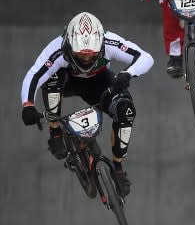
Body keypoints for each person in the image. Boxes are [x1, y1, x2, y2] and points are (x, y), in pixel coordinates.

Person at [20, 12, 154, 197]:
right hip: (67, 82)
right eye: (80, 54)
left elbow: (146, 57)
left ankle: (118, 168)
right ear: (68, 44)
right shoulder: (56, 48)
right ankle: (55, 130)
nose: (85, 59)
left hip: (98, 84)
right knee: (51, 78)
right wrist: (27, 105)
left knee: (126, 111)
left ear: (100, 44)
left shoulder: (109, 41)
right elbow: (35, 74)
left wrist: (128, 73)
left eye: (91, 54)